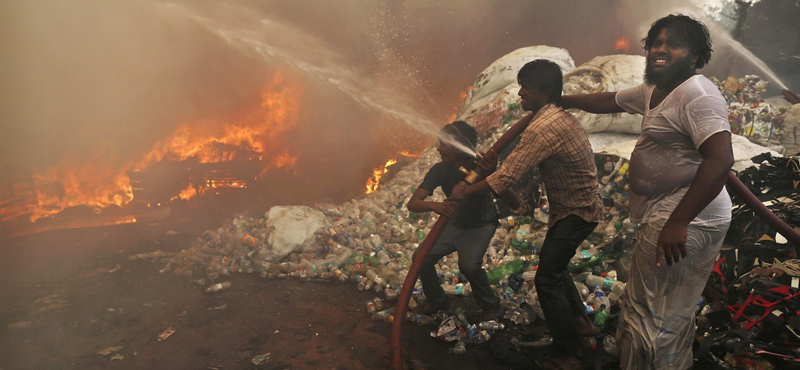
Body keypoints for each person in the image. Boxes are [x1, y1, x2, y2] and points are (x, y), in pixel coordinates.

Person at [561, 14, 734, 369]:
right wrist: (566, 100)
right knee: (665, 310)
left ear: (694, 55)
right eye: (656, 42)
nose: (660, 49)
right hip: (670, 214)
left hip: (685, 219)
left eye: (673, 44)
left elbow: (720, 160)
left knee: (653, 314)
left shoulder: (698, 95)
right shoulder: (656, 89)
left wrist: (678, 222)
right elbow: (610, 100)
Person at [452, 59, 603, 368]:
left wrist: (465, 190)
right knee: (555, 268)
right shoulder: (555, 116)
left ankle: (569, 353)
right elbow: (509, 170)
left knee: (546, 279)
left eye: (527, 88)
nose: (520, 93)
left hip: (578, 212)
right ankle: (582, 323)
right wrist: (493, 170)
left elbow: (507, 179)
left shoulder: (542, 128)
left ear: (546, 91)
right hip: (578, 207)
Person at [407, 121, 501, 320]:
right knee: (421, 257)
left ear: (459, 148)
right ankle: (437, 302)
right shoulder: (440, 170)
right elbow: (413, 203)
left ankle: (491, 308)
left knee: (468, 266)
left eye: (444, 144)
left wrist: (491, 172)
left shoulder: (481, 167)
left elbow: (503, 191)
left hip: (481, 224)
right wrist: (435, 206)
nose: (439, 149)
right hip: (456, 222)